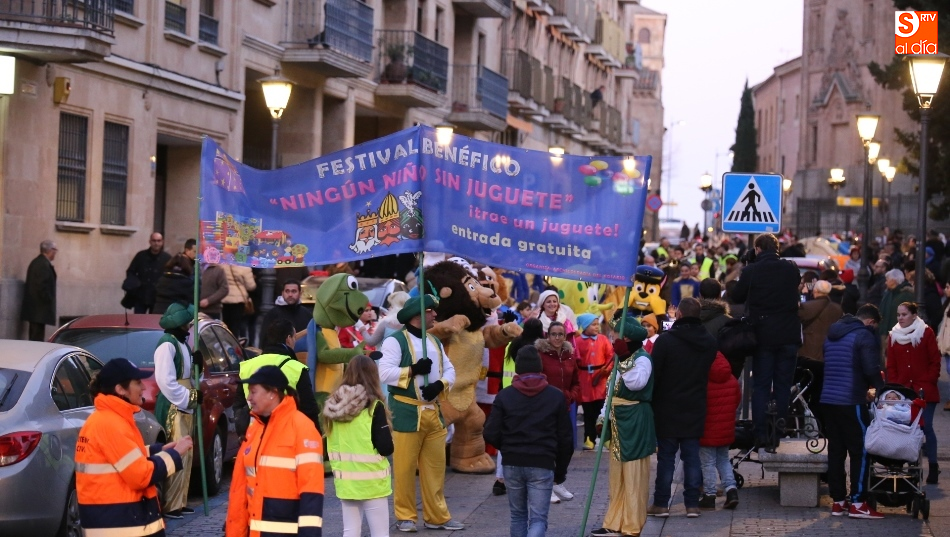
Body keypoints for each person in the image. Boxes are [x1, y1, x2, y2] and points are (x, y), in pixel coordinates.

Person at [76, 358, 193, 537]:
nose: (144, 387)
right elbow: (140, 475)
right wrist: (175, 454)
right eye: (137, 383)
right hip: (122, 526)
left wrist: (157, 450)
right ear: (120, 389)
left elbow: (119, 459)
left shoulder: (107, 419)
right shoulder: (111, 423)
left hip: (116, 522)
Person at [377, 294, 464, 532]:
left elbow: (450, 369)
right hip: (406, 412)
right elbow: (384, 373)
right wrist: (413, 369)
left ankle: (437, 516)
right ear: (418, 315)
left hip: (433, 413)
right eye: (431, 311)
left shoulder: (433, 341)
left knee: (436, 468)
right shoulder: (395, 341)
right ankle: (405, 516)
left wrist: (440, 384)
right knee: (404, 469)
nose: (435, 314)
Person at [484, 345, 573, 537]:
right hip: (542, 462)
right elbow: (566, 438)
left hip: (513, 462)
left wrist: (507, 446)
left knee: (517, 516)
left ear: (518, 368)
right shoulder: (555, 396)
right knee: (538, 518)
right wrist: (560, 471)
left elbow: (490, 433)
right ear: (540, 367)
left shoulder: (505, 395)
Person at [225, 366, 325, 537]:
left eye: (254, 392)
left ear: (272, 393)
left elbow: (311, 492)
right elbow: (241, 487)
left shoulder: (302, 428)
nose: (249, 398)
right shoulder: (255, 429)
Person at [730, 233, 802, 448]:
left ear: (758, 249)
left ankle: (761, 432)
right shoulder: (790, 268)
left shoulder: (752, 270)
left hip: (763, 336)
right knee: (782, 384)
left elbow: (738, 297)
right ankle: (779, 429)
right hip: (788, 335)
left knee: (761, 385)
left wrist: (749, 265)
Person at [647, 297, 717, 518]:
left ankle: (660, 504)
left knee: (666, 458)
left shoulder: (666, 341)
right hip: (695, 405)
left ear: (678, 315)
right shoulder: (709, 341)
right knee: (692, 457)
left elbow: (654, 374)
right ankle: (692, 505)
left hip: (667, 406)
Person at [819, 304, 885, 519]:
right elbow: (870, 368)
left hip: (828, 400)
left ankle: (838, 501)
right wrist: (879, 389)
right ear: (870, 322)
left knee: (836, 451)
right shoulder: (863, 335)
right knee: (861, 451)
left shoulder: (831, 334)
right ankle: (858, 502)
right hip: (851, 400)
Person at [590, 322, 654, 537]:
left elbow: (637, 383)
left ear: (626, 338)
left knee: (633, 475)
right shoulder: (621, 358)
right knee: (617, 476)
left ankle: (631, 525)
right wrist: (603, 416)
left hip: (635, 421)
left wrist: (625, 359)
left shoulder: (643, 359)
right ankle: (614, 521)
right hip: (618, 421)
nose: (612, 337)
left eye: (616, 334)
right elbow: (611, 393)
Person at [324, 355, 394, 537]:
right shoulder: (374, 406)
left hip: (345, 480)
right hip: (372, 480)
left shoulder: (333, 406)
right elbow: (386, 447)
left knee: (350, 531)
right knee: (380, 533)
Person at [233, 319, 320, 439]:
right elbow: (309, 409)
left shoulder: (247, 366)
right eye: (294, 338)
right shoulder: (296, 368)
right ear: (289, 339)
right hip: (287, 437)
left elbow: (238, 404)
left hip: (254, 437)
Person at [152, 303, 200, 519]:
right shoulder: (166, 345)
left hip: (185, 403)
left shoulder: (183, 344)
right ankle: (170, 504)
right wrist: (189, 398)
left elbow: (186, 373)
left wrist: (195, 363)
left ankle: (179, 501)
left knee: (187, 453)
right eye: (187, 323)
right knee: (176, 451)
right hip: (175, 404)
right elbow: (166, 380)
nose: (190, 326)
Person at [886, 302, 942, 484]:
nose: (900, 318)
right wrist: (894, 388)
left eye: (904, 314)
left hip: (924, 389)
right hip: (903, 391)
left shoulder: (926, 333)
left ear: (914, 315)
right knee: (904, 428)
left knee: (926, 426)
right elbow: (891, 365)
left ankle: (933, 466)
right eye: (898, 315)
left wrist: (929, 380)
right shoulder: (893, 336)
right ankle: (908, 464)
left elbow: (935, 360)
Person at [493, 317, 545, 496]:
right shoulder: (538, 348)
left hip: (508, 393)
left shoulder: (512, 345)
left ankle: (500, 479)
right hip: (530, 395)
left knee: (507, 438)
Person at [534, 320, 580, 504]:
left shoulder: (569, 355)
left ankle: (557, 480)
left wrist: (571, 395)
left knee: (567, 446)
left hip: (565, 407)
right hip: (545, 408)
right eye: (554, 334)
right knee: (548, 447)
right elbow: (537, 379)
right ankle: (546, 485)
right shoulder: (541, 355)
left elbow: (576, 381)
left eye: (561, 334)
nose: (557, 338)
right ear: (548, 335)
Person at [698, 351, 741, 511]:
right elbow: (737, 401)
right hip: (726, 429)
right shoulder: (732, 380)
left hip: (707, 430)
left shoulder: (703, 381)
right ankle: (732, 491)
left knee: (708, 463)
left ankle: (709, 496)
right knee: (723, 460)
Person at [575, 313, 613, 451]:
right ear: (585, 326)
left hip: (601, 379)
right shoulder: (578, 341)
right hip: (585, 380)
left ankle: (605, 438)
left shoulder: (603, 340)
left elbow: (610, 356)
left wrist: (607, 369)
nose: (597, 327)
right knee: (588, 412)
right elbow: (575, 360)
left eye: (597, 324)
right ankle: (589, 438)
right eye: (593, 324)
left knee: (603, 411)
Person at [125, 233, 172, 314]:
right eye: (154, 241)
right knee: (138, 321)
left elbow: (171, 277)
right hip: (141, 296)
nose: (156, 243)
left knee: (153, 323)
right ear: (150, 242)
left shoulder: (167, 258)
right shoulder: (141, 256)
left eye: (158, 241)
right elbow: (130, 271)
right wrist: (135, 284)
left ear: (162, 242)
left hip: (157, 297)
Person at [22, 239, 57, 341]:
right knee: (36, 338)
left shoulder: (39, 262)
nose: (55, 253)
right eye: (55, 250)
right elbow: (41, 286)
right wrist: (48, 299)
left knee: (36, 337)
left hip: (37, 311)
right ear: (49, 250)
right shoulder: (42, 264)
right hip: (38, 310)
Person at [221, 264, 257, 340]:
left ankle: (225, 343)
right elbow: (251, 286)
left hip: (225, 298)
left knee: (226, 324)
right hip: (238, 300)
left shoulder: (223, 266)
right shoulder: (244, 267)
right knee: (236, 325)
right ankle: (235, 344)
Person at [878, 269, 914, 340]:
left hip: (898, 335)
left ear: (893, 280)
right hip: (886, 333)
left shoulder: (906, 295)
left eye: (887, 280)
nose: (885, 282)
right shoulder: (889, 293)